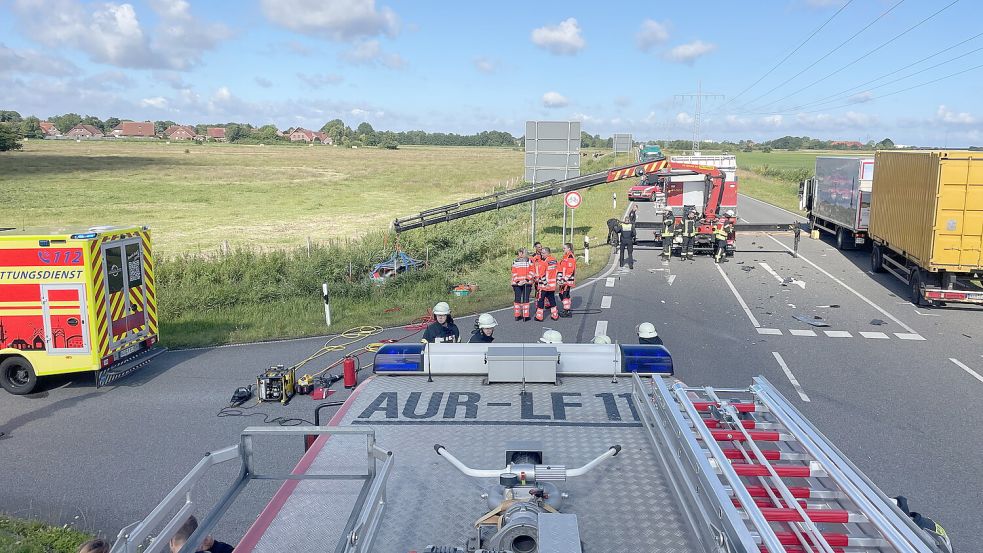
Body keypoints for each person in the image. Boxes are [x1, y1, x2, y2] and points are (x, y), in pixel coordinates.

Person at [535, 247, 560, 321]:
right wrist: (558, 280)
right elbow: (559, 271)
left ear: (548, 253)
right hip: (552, 286)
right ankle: (555, 315)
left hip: (544, 286)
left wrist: (545, 284)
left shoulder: (544, 262)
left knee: (541, 300)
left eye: (543, 253)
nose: (542, 255)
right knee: (552, 299)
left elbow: (542, 275)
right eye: (541, 253)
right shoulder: (555, 261)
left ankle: (539, 317)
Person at [510, 248, 533, 321]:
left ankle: (518, 315)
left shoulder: (515, 261)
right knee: (525, 299)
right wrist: (525, 280)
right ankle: (525, 316)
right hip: (525, 283)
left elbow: (514, 273)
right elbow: (532, 272)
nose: (519, 254)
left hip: (518, 283)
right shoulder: (529, 261)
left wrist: (517, 281)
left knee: (518, 299)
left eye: (520, 252)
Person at [557, 242, 577, 317]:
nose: (563, 249)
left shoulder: (570, 257)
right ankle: (567, 309)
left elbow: (570, 270)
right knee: (563, 294)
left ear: (569, 248)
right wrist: (559, 278)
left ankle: (566, 311)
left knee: (564, 294)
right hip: (563, 280)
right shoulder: (565, 256)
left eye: (564, 248)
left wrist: (564, 279)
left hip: (567, 281)